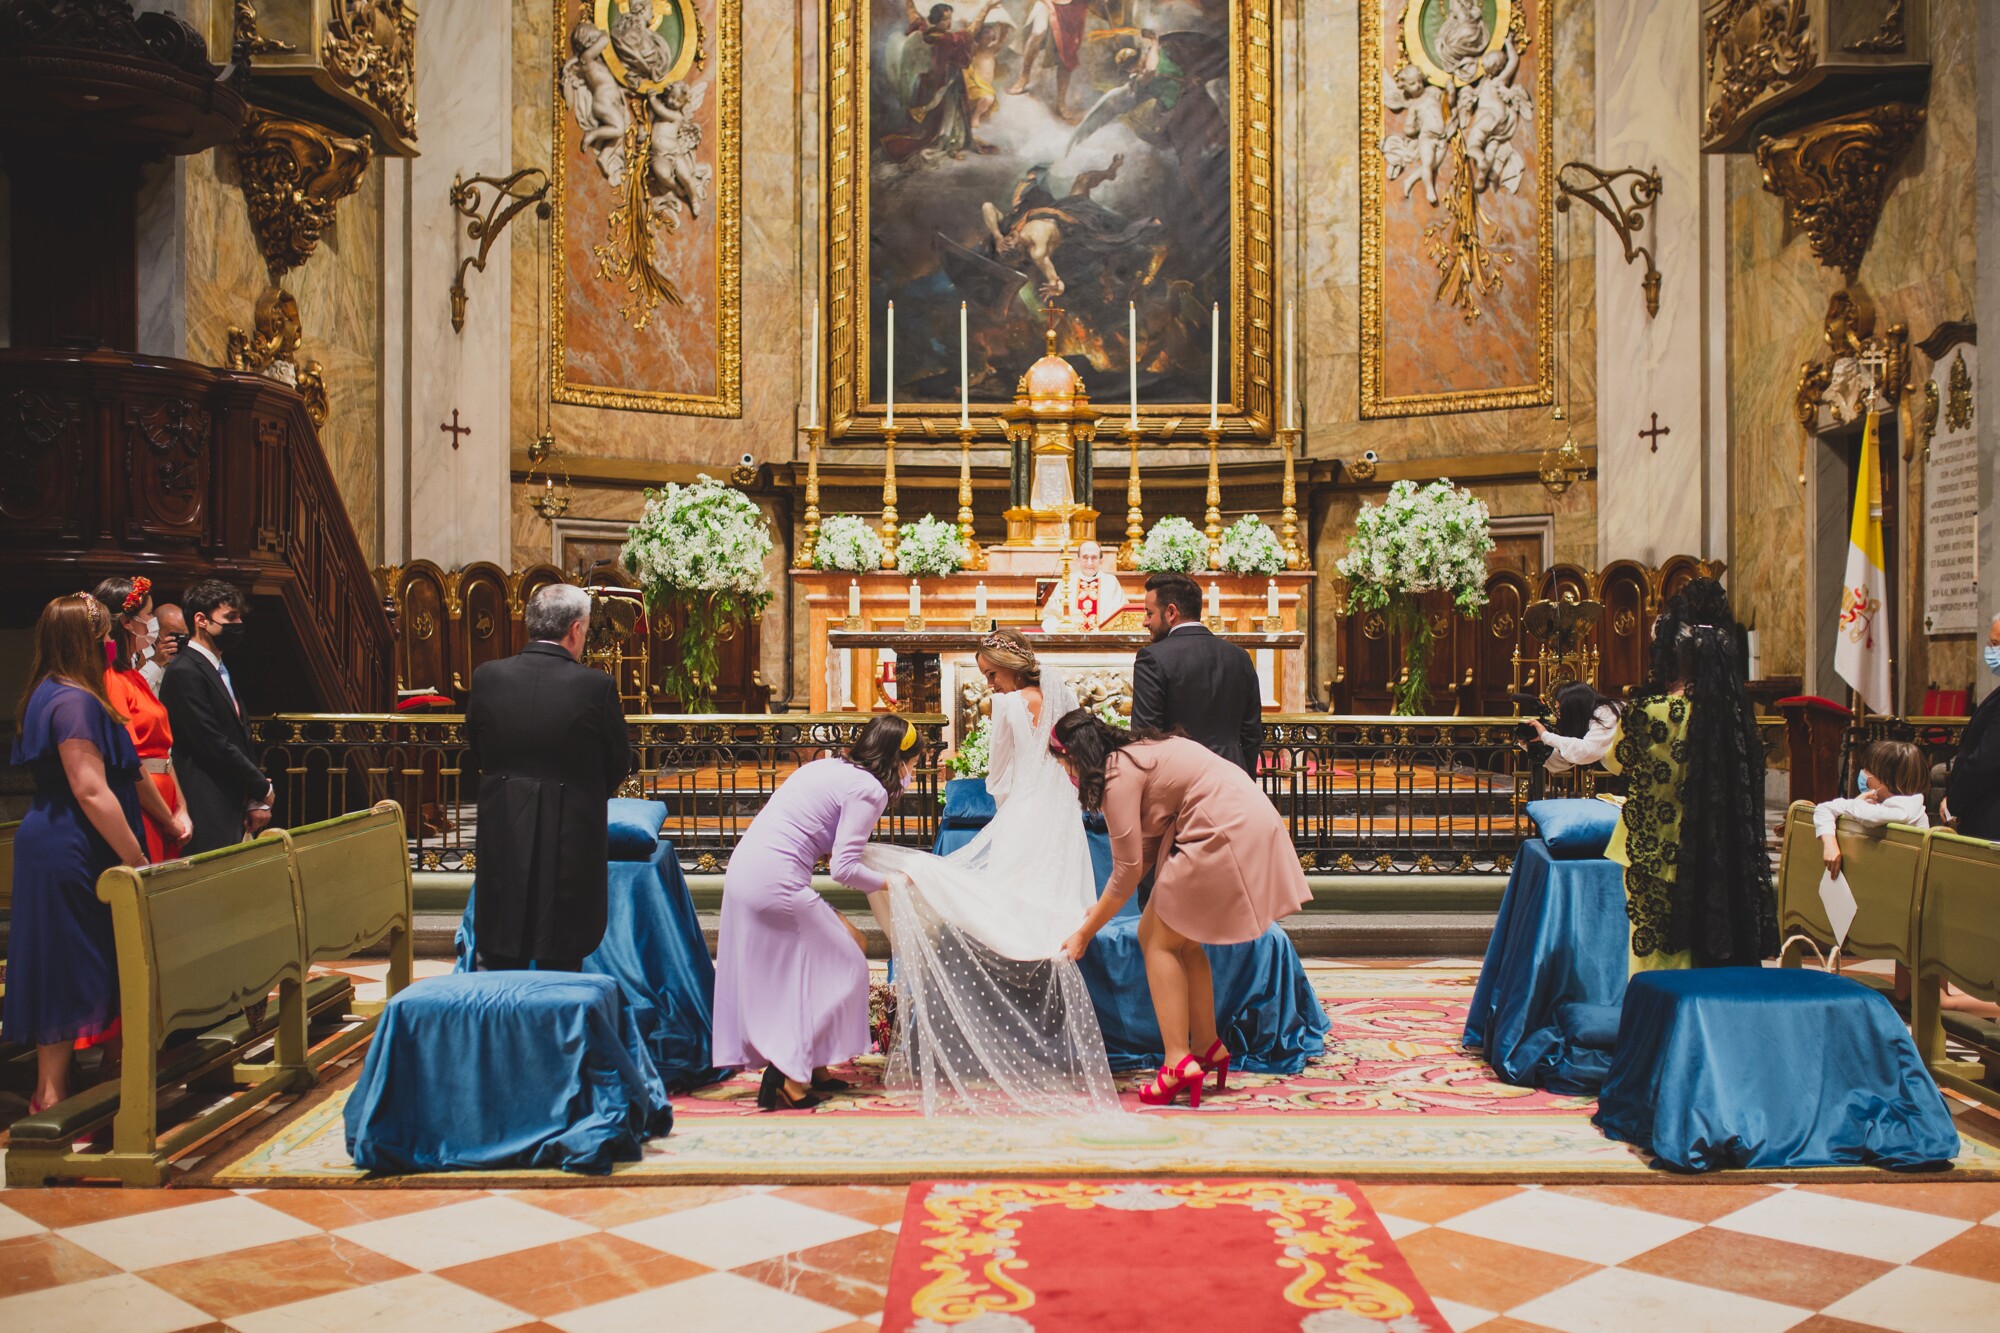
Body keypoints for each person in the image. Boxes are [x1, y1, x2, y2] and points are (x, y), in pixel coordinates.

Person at [859, 631, 1119, 1116]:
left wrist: (1010, 806)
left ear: (1008, 667)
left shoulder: (1006, 708)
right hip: (1064, 812)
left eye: (991, 675)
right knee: (1050, 897)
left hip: (1024, 810)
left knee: (1000, 899)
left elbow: (998, 777)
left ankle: (1001, 1017)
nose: (991, 684)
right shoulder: (1058, 688)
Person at [1051, 712, 1312, 1108]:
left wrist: (1085, 933)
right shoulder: (1140, 752)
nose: (1068, 775)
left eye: (1065, 765)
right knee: (1181, 942)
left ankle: (1177, 1062)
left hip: (1221, 830)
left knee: (1158, 943)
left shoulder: (1117, 775)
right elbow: (1145, 851)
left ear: (1077, 756)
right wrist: (1099, 909)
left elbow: (1126, 868)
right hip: (1241, 818)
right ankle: (1208, 1047)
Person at [712, 715, 917, 1111]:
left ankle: (817, 1065)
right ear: (897, 760)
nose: (913, 774)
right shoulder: (869, 790)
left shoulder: (830, 765)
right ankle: (787, 1071)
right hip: (775, 881)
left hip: (750, 869)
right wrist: (895, 882)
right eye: (913, 764)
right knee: (848, 966)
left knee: (851, 943)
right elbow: (843, 869)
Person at [4, 594, 149, 1111]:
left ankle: (55, 1086)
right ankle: (51, 1093)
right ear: (87, 640)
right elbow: (90, 789)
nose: (112, 643)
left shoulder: (47, 690)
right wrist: (137, 858)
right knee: (71, 963)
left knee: (61, 961)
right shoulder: (75, 700)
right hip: (70, 846)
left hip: (54, 838)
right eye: (106, 634)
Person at [464, 583, 630, 972]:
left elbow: (476, 747)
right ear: (575, 630)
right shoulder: (597, 687)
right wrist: (582, 793)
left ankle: (500, 1028)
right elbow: (618, 761)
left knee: (499, 951)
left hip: (503, 822)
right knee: (564, 954)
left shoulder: (487, 677)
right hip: (571, 833)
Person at [1603, 622, 1776, 972]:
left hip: (1654, 845)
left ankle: (1655, 1017)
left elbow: (1615, 761)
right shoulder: (1733, 721)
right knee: (1703, 945)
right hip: (1713, 847)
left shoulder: (1650, 712)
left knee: (1654, 952)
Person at [160, 579, 274, 854]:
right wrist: (261, 787)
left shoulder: (217, 667)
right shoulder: (184, 670)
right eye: (230, 617)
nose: (238, 625)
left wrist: (253, 798)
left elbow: (239, 734)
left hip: (231, 798)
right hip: (205, 801)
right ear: (201, 620)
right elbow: (210, 741)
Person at [93, 578, 192, 863]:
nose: (153, 622)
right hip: (143, 801)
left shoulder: (134, 675)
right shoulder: (111, 680)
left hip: (165, 795)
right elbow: (130, 760)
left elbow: (164, 751)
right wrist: (168, 817)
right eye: (149, 615)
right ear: (127, 622)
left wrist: (181, 807)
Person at [1130, 571, 1263, 777]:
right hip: (1234, 779)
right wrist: (1244, 779)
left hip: (1180, 782)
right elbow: (1251, 732)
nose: (1145, 622)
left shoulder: (1152, 657)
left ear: (1171, 612)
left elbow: (1146, 736)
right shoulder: (1239, 656)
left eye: (1149, 613)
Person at [1816, 739, 1929, 875]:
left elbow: (1871, 816)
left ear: (1884, 780)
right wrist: (1830, 845)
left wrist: (1856, 803)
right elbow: (1824, 809)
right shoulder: (1882, 805)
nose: (1863, 773)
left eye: (1869, 771)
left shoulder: (1905, 811)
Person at [1942, 611, 2000, 839]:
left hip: (1990, 819)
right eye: (1990, 643)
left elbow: (1986, 762)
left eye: (1995, 644)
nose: (1990, 650)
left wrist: (1954, 803)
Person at [1530, 681, 1624, 774]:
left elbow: (1587, 752)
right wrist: (1530, 744)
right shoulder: (1592, 715)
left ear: (1573, 708)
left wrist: (1545, 736)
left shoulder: (1605, 712)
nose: (1559, 716)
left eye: (1560, 710)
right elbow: (1564, 762)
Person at [1040, 540, 1129, 631]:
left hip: (1103, 641)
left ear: (1101, 560)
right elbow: (1050, 616)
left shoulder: (1110, 582)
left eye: (1094, 557)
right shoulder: (1067, 581)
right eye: (1085, 557)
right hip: (1072, 642)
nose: (1089, 563)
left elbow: (1121, 616)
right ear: (1078, 560)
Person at [140, 602, 186, 694]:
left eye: (184, 636)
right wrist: (156, 663)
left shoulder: (185, 656)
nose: (179, 641)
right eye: (174, 636)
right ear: (156, 631)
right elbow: (135, 690)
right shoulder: (139, 655)